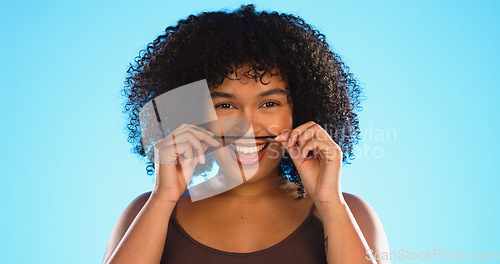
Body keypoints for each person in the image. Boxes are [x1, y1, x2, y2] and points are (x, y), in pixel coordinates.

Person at [103, 4, 390, 264]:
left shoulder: (349, 213)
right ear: (194, 115)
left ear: (299, 112)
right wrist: (163, 199)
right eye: (225, 105)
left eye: (269, 103)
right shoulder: (147, 211)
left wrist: (329, 204)